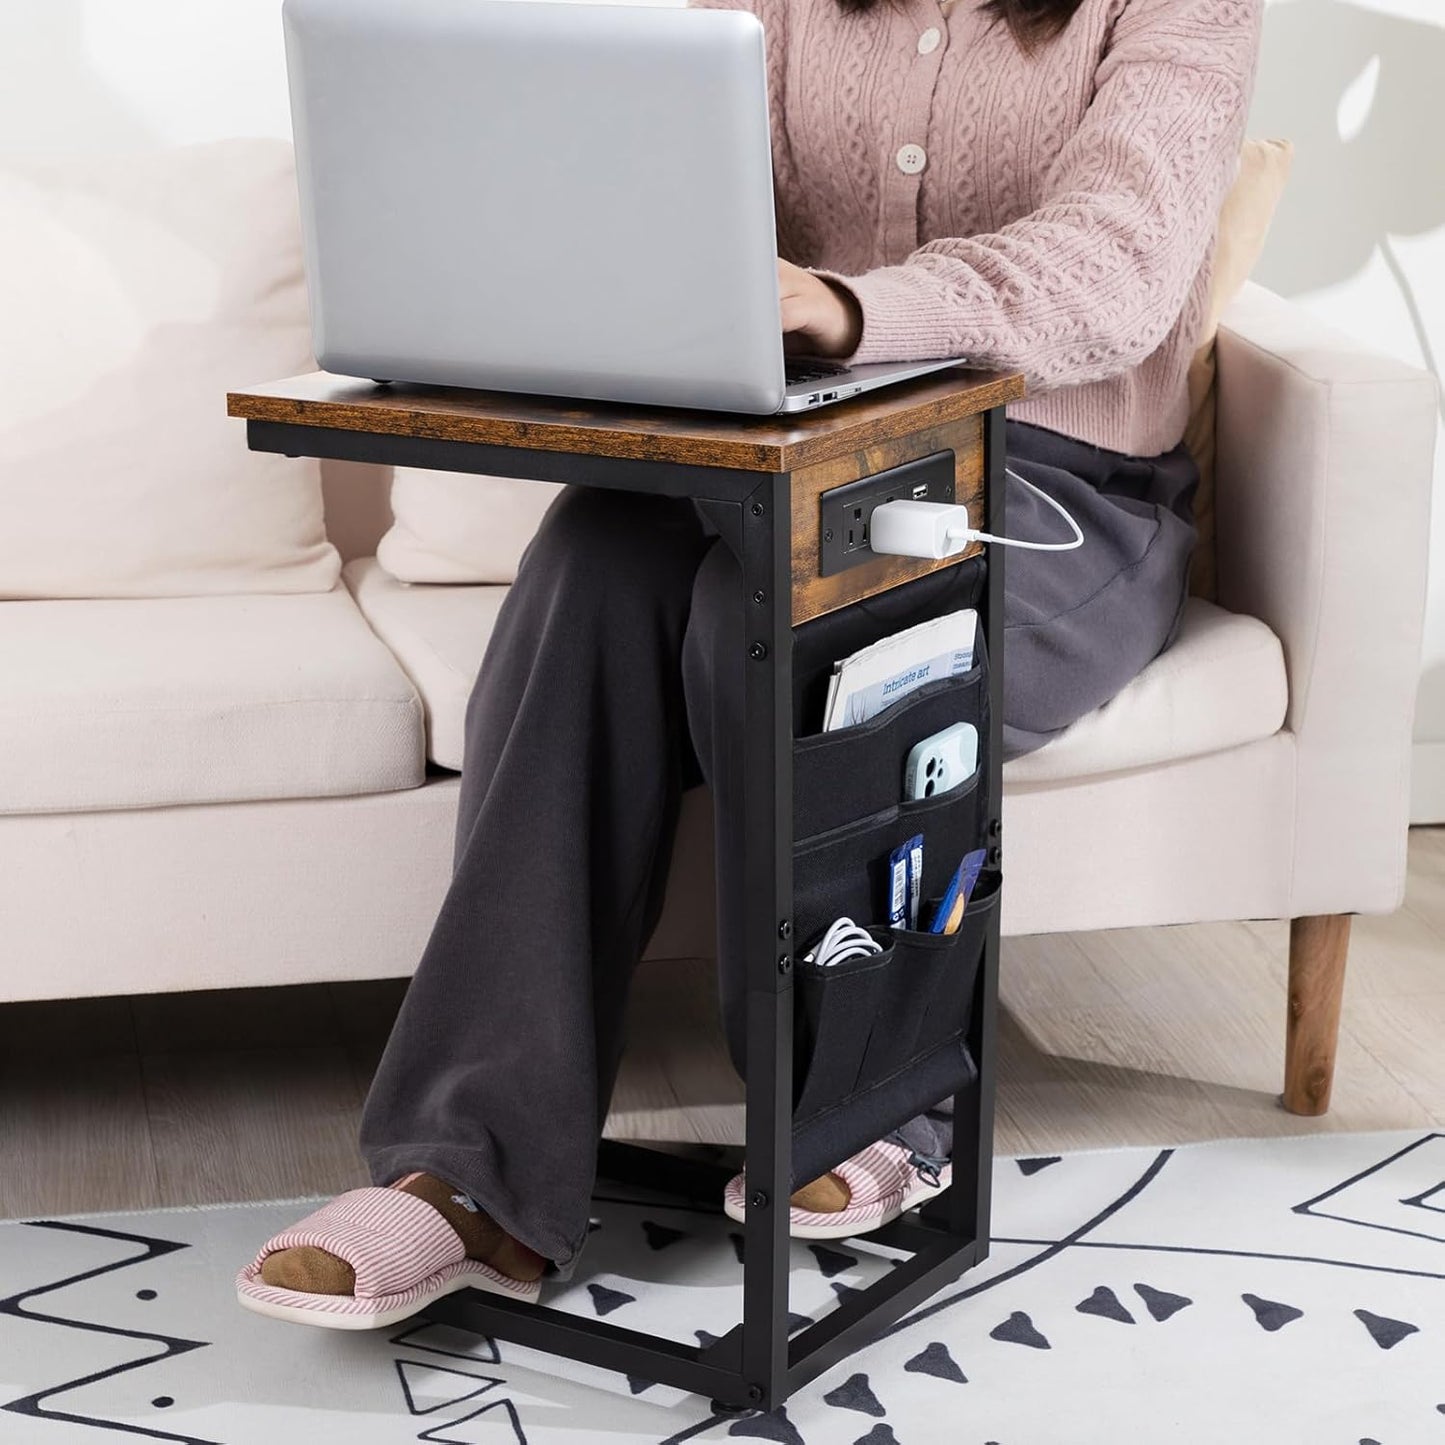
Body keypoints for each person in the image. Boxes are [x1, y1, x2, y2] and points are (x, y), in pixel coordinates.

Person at [237, 0, 1262, 1328]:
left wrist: (848, 308)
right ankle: (471, 1173)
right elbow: (661, 201)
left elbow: (1119, 264)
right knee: (595, 559)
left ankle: (866, 1106)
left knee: (770, 616)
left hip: (1052, 483)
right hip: (784, 453)